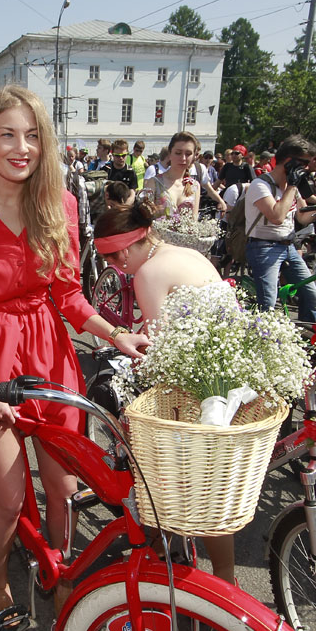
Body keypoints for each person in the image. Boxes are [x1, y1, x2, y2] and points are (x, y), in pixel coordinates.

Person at [0, 85, 148, 631]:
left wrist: (114, 332)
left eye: (33, 136)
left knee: (65, 483)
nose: (22, 147)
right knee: (7, 498)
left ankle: (66, 578)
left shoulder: (60, 203)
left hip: (48, 349)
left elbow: (67, 295)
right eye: (7, 134)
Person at [91, 200, 238, 581]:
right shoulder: (186, 253)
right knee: (211, 482)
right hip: (230, 375)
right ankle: (212, 566)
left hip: (198, 389)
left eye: (110, 259)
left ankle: (165, 545)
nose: (112, 267)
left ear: (122, 251)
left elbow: (157, 352)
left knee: (169, 469)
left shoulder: (148, 273)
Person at [243, 134, 316, 321]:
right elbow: (277, 216)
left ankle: (309, 339)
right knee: (268, 303)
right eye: (303, 163)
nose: (306, 169)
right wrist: (292, 187)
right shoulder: (260, 184)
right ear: (289, 162)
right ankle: (262, 342)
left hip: (288, 245)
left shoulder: (290, 186)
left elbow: (302, 218)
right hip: (263, 246)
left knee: (312, 296)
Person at [144, 131, 216, 220]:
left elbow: (194, 221)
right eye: (178, 153)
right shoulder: (154, 182)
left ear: (194, 156)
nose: (183, 158)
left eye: (188, 154)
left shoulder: (195, 186)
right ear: (170, 154)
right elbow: (143, 219)